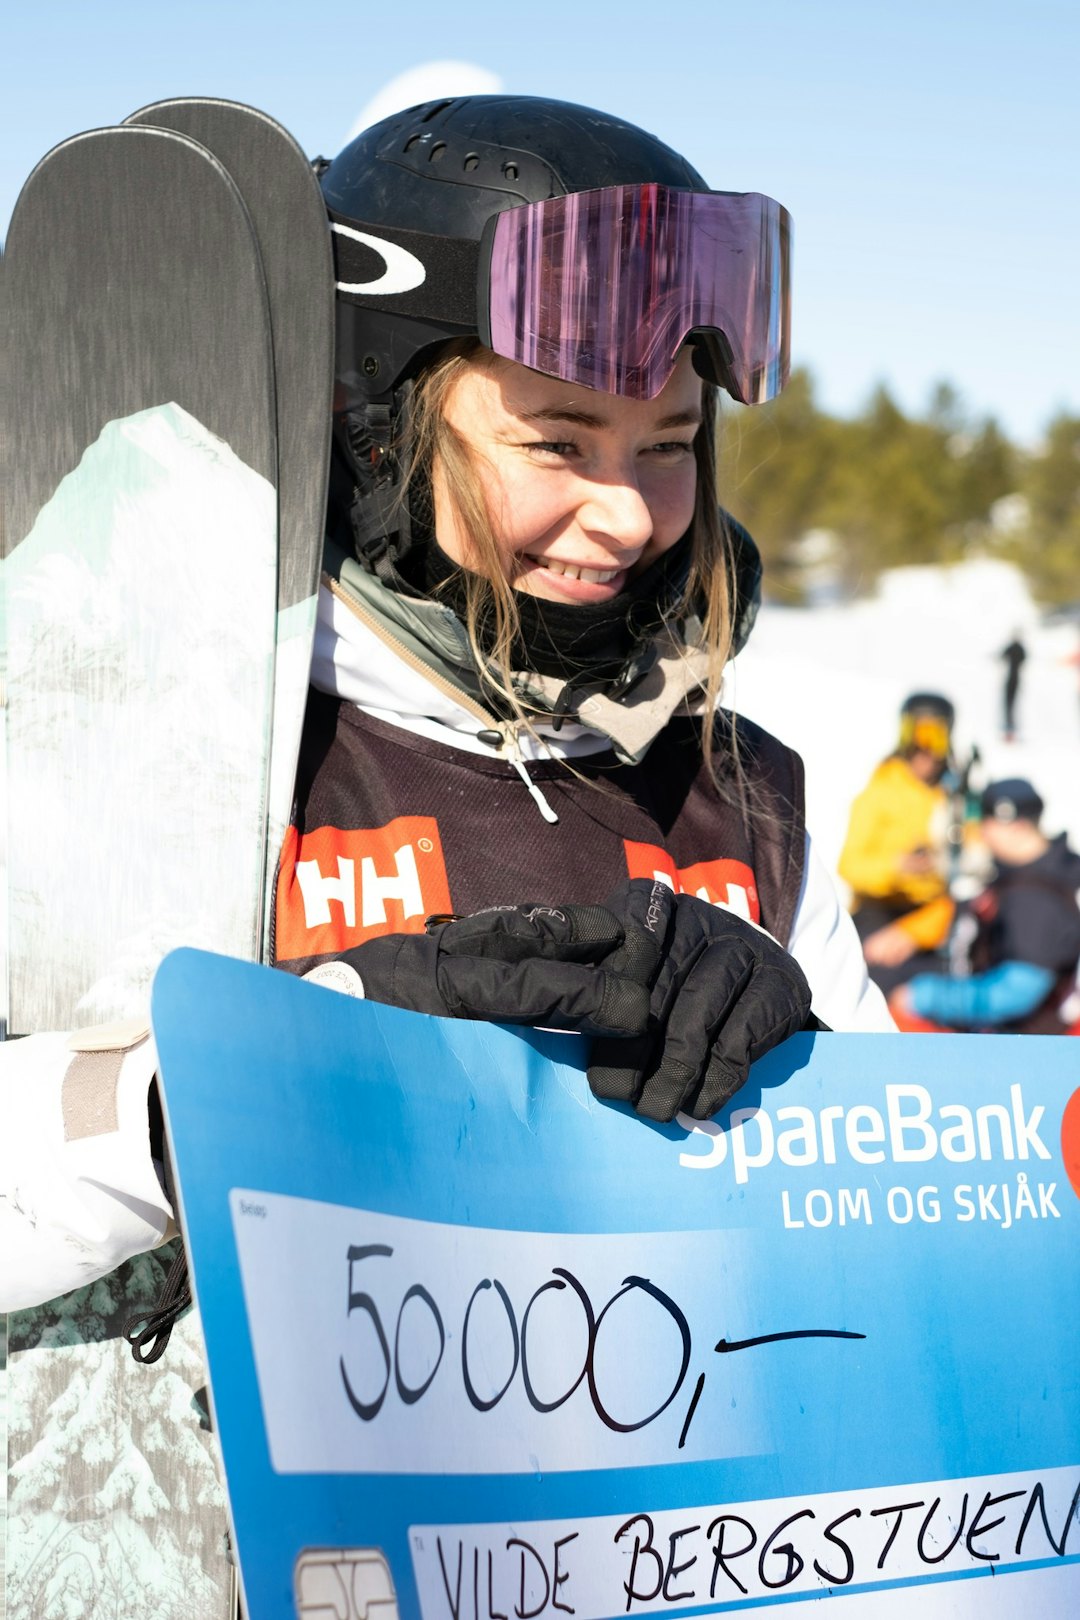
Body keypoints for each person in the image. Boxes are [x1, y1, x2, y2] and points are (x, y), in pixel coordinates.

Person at [3, 93, 892, 1313]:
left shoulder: (740, 799)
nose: (629, 514)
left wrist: (812, 1079)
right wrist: (257, 1081)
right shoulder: (150, 736)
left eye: (671, 445)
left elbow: (894, 1272)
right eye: (558, 446)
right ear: (377, 431)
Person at [891, 778, 1080, 1034]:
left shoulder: (1040, 895)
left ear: (1016, 826)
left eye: (987, 823)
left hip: (1027, 1047)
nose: (981, 833)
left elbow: (1017, 992)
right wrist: (910, 933)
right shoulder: (1016, 876)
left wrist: (925, 996)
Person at [837, 692, 957, 994]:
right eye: (918, 741)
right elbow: (850, 865)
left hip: (935, 916)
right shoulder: (879, 792)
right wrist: (897, 867)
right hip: (879, 910)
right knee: (872, 983)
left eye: (936, 741)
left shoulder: (956, 797)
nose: (926, 753)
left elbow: (972, 872)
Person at [999, 635, 1026, 740]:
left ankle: (1010, 728)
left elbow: (1002, 655)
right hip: (1014, 678)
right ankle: (1010, 727)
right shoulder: (1019, 648)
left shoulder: (1015, 647)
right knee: (1011, 704)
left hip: (1012, 678)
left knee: (1010, 703)